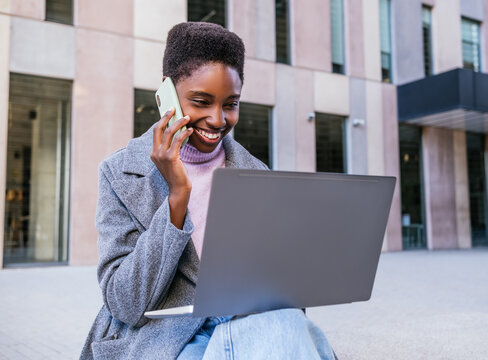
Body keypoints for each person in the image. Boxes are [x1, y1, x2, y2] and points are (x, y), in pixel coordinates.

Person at [80, 22, 336, 360]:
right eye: (201, 101)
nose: (217, 120)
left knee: (286, 325)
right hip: (167, 339)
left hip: (250, 325)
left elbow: (283, 293)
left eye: (231, 104)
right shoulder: (120, 174)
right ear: (167, 93)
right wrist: (176, 199)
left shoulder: (257, 174)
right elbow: (125, 303)